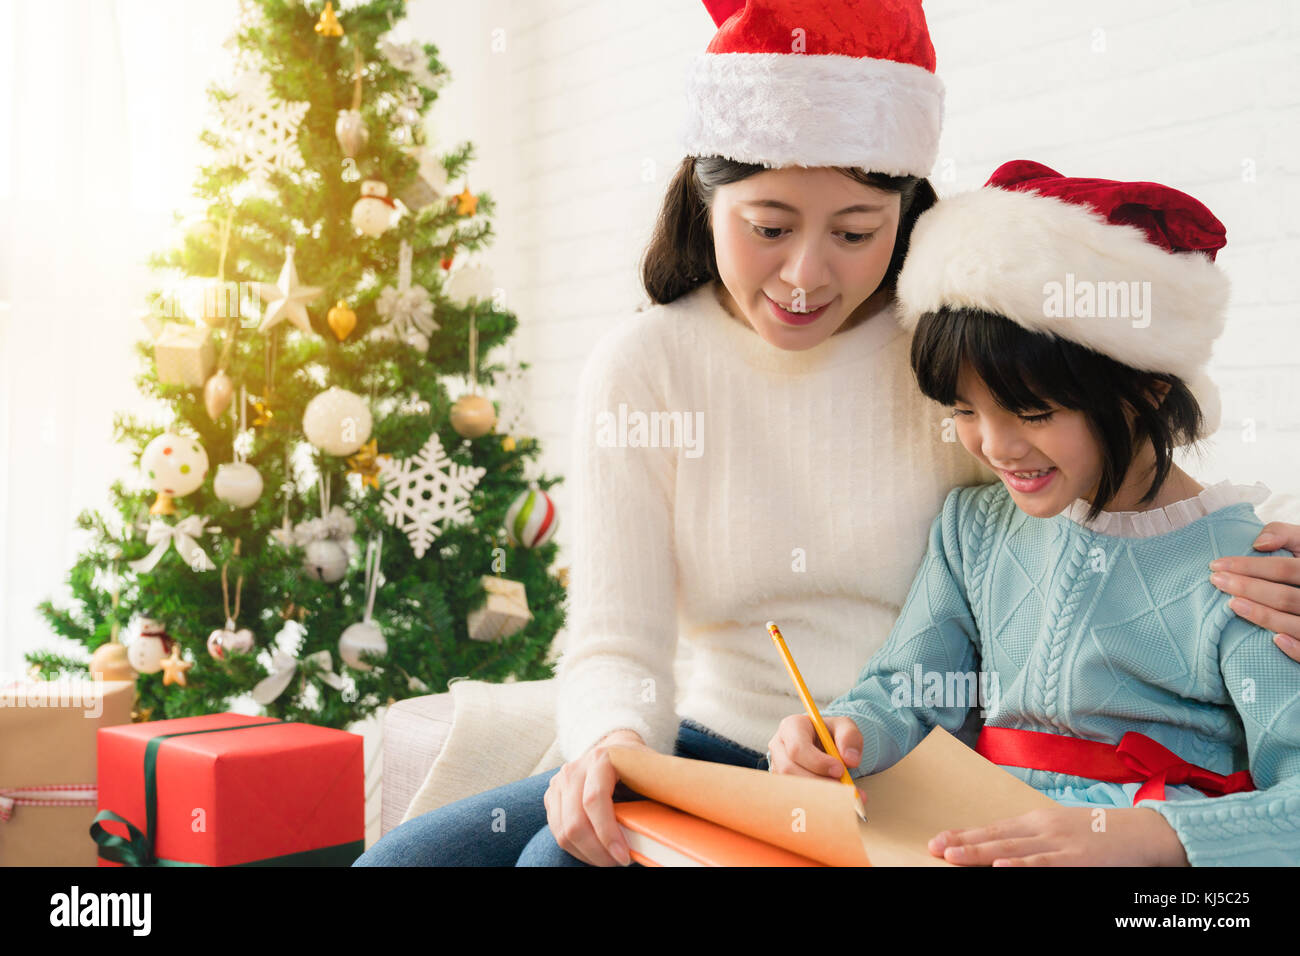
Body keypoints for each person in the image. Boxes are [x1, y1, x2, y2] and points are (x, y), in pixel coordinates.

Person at [355, 1, 1300, 868]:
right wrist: (612, 748)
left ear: (906, 212)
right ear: (704, 200)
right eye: (768, 225)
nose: (805, 275)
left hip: (913, 781)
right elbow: (617, 642)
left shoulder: (952, 343)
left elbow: (1128, 470)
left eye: (855, 232)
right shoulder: (646, 366)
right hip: (713, 749)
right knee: (411, 862)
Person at [768, 160, 1300, 866]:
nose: (994, 446)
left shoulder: (1248, 569)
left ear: (1145, 388)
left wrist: (1152, 839)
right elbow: (908, 690)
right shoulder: (975, 529)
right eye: (963, 411)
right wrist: (845, 732)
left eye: (1033, 413)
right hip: (968, 836)